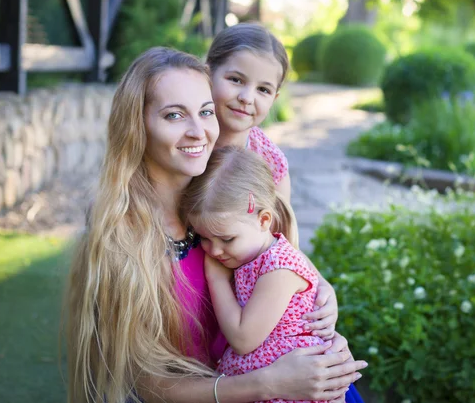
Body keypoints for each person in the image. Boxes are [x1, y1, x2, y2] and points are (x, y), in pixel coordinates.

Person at [66, 47, 367, 403]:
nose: (198, 131)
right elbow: (148, 384)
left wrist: (321, 329)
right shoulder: (121, 238)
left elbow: (283, 267)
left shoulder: (226, 205)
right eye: (174, 115)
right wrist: (271, 382)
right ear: (137, 125)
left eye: (205, 112)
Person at [182, 145, 341, 403]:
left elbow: (243, 339)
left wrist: (217, 279)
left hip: (292, 392)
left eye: (227, 239)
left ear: (264, 220)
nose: (214, 250)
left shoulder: (279, 269)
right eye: (204, 238)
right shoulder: (249, 257)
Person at [206, 23, 292, 201]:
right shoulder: (184, 137)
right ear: (207, 74)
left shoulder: (272, 165)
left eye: (263, 90)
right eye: (236, 80)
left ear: (274, 99)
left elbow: (285, 227)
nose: (247, 98)